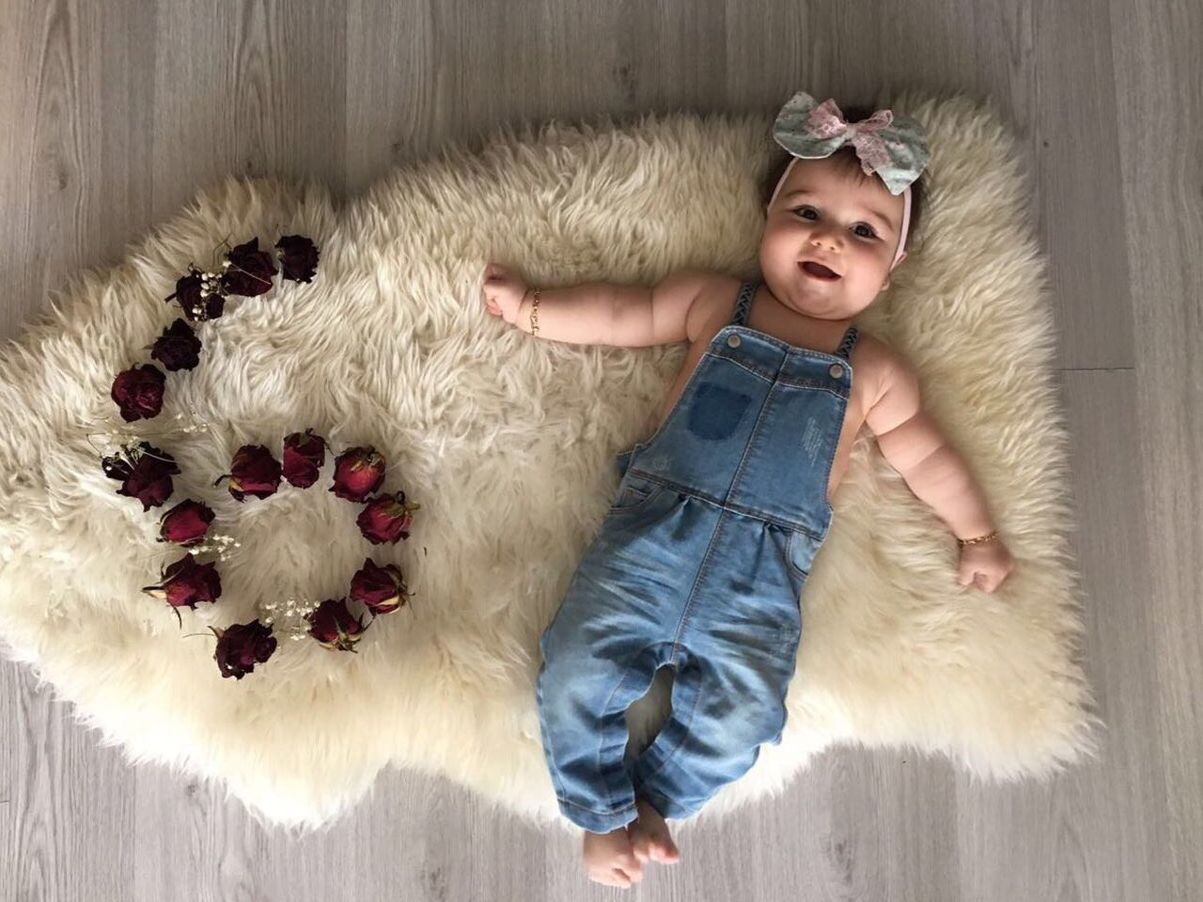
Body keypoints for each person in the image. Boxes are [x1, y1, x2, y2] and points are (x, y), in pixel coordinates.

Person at [482, 91, 1015, 888]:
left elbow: (928, 460)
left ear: (891, 267)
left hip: (759, 581)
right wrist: (532, 310)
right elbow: (620, 314)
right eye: (806, 211)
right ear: (767, 218)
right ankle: (597, 815)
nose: (828, 238)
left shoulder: (874, 371)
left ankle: (658, 802)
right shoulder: (712, 302)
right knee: (576, 671)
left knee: (744, 719)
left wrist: (975, 535)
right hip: (651, 541)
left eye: (863, 232)